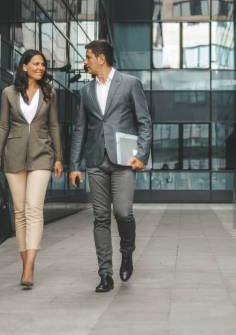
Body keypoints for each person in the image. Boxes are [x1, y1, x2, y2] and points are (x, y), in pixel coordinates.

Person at [69, 39, 152, 292]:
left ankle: (127, 252)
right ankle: (105, 274)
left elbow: (145, 122)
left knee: (123, 213)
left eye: (88, 57)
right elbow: (80, 129)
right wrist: (74, 164)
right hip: (95, 161)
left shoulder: (130, 84)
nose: (85, 62)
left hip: (124, 160)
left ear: (101, 58)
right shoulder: (85, 92)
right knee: (101, 218)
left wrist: (142, 154)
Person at [0, 49, 63, 289]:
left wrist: (59, 158)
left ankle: (29, 267)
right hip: (14, 157)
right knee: (19, 212)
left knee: (34, 209)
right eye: (36, 64)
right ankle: (25, 264)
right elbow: (3, 126)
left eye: (43, 64)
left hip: (42, 157)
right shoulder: (8, 93)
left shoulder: (50, 93)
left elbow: (54, 126)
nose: (41, 68)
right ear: (24, 67)